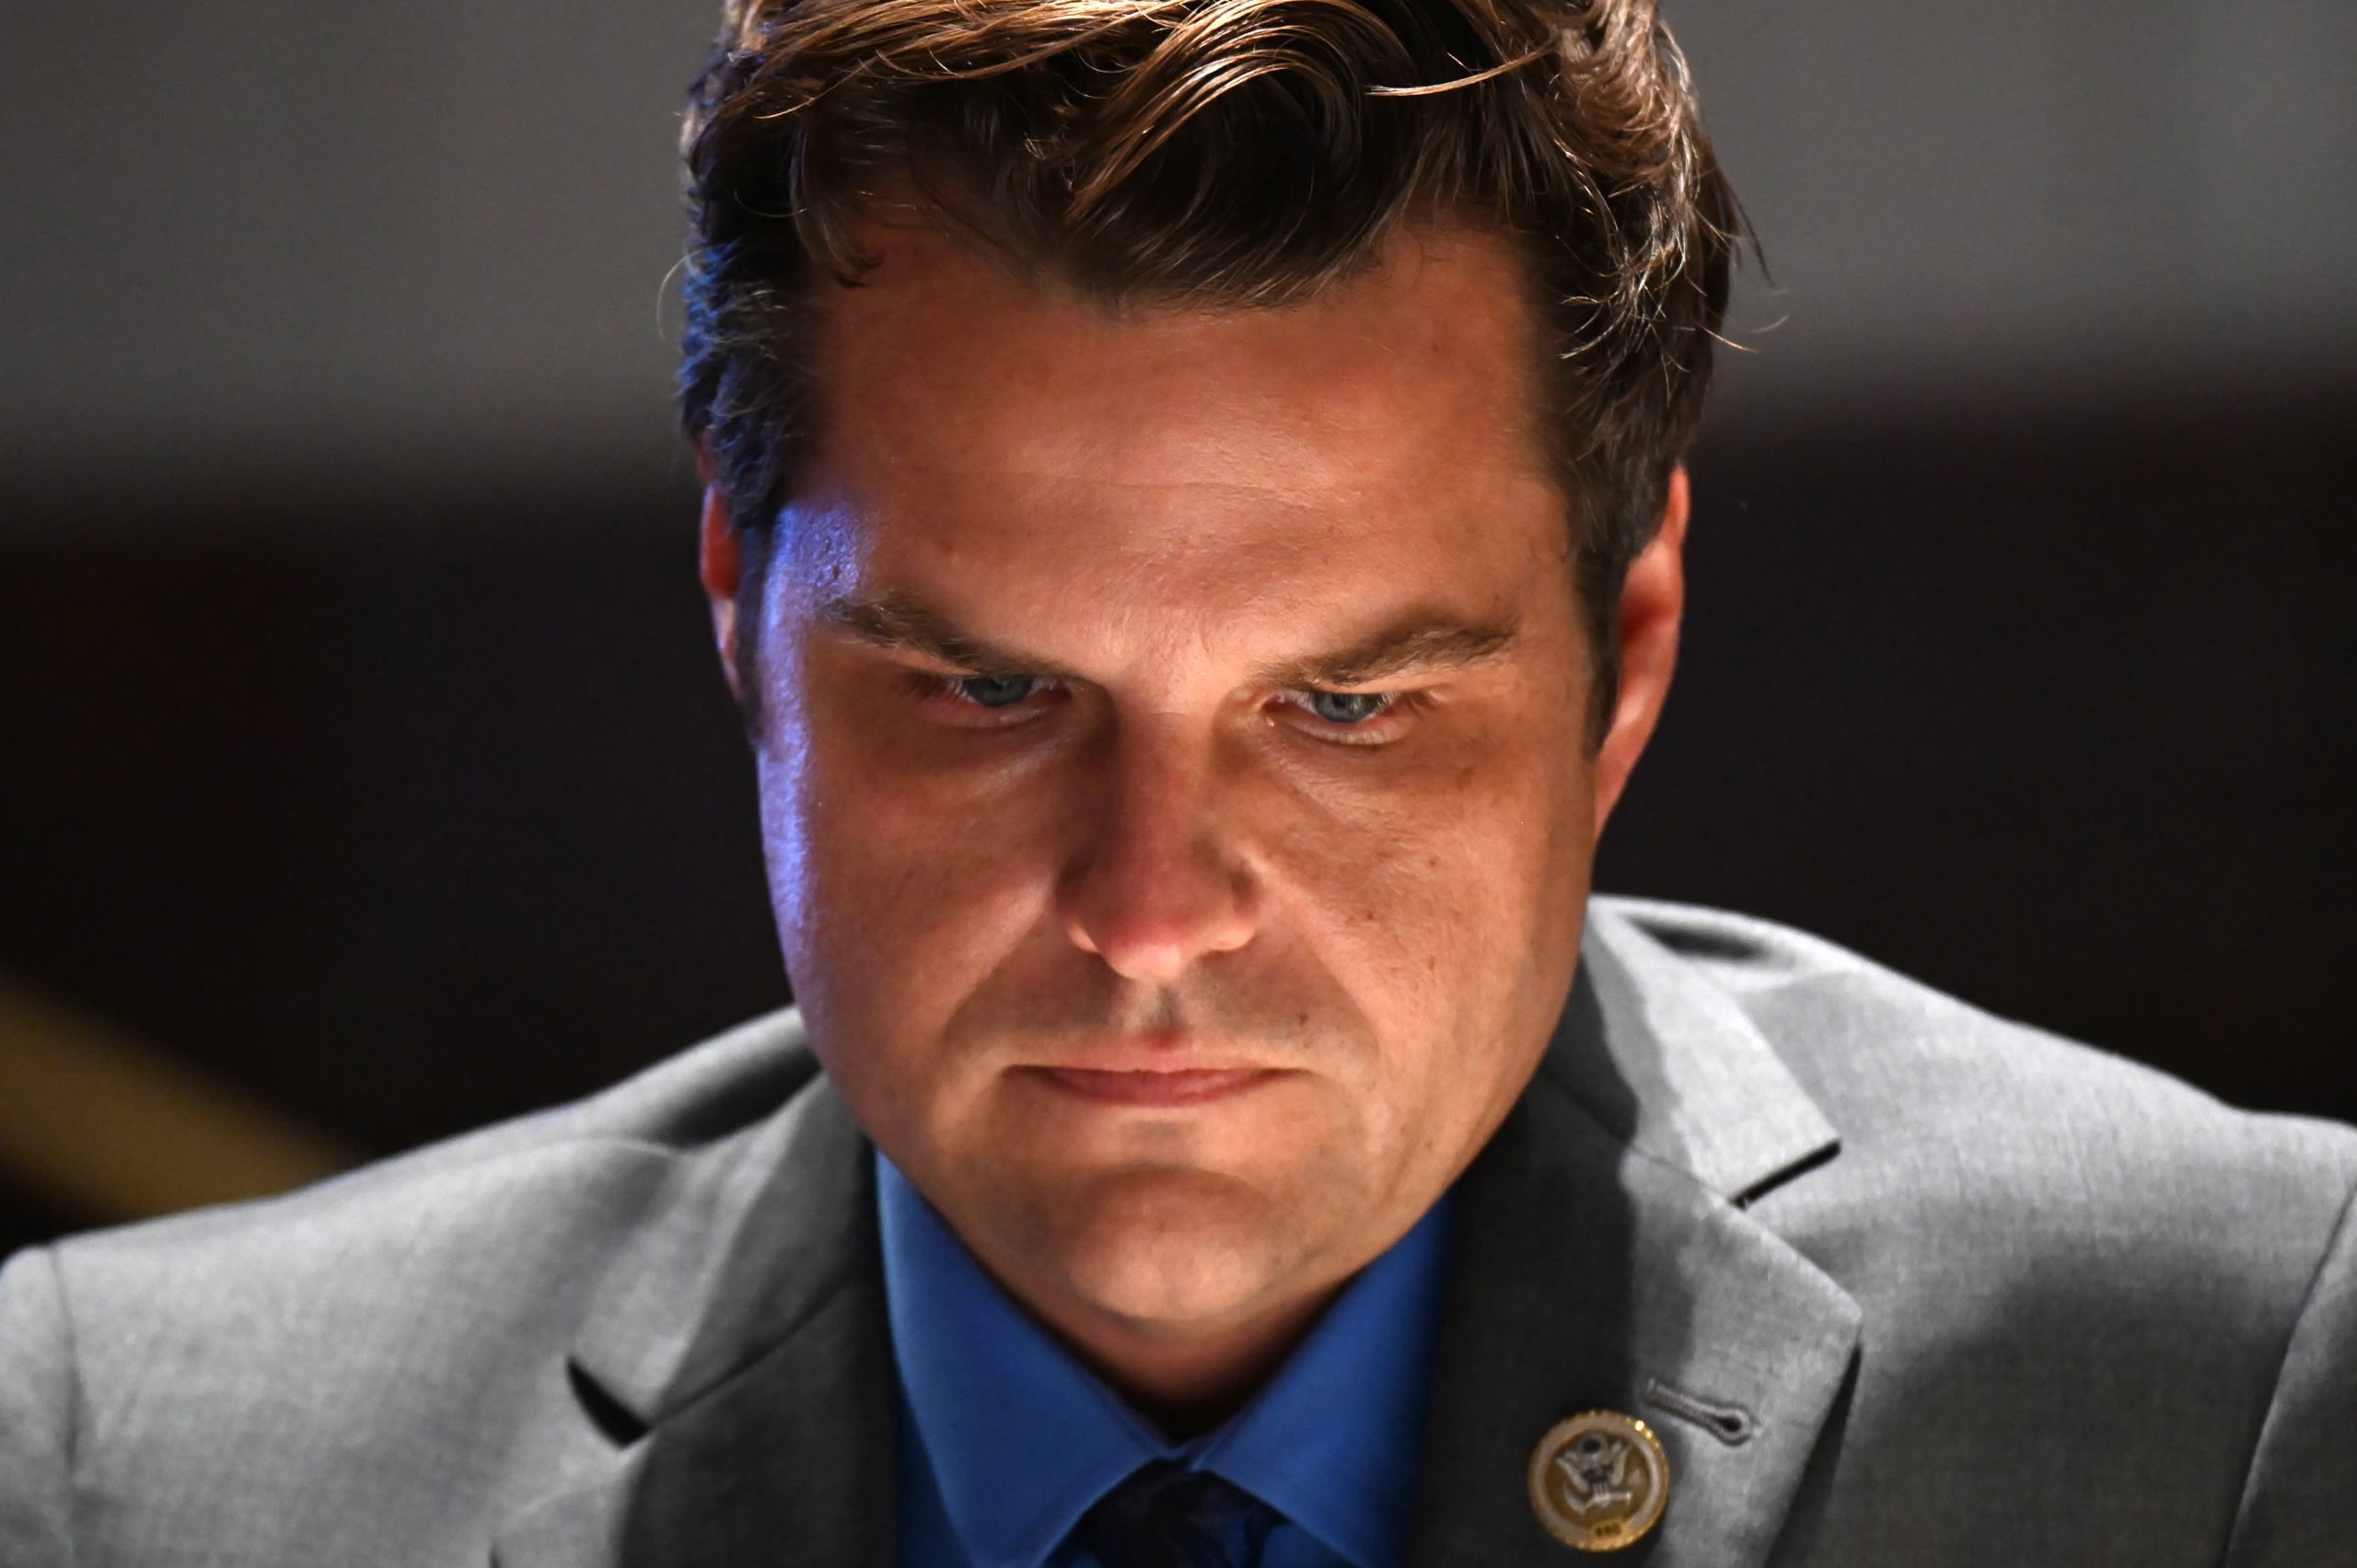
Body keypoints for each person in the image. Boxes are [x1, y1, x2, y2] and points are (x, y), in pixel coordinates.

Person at [2, 0, 2350, 1562]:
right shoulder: (140, 1476)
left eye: (1344, 711)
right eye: (984, 692)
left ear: (1625, 653)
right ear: (735, 604)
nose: (1146, 914)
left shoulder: (2221, 1393)